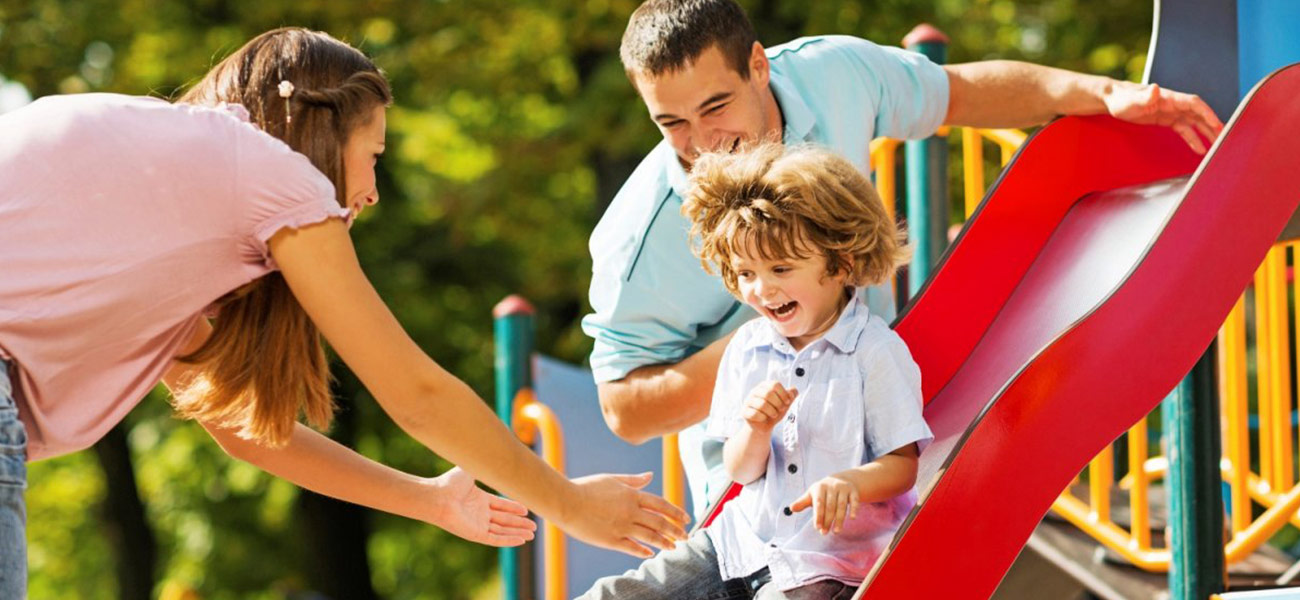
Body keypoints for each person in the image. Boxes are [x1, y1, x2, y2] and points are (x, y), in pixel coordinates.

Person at [0, 27, 687, 597]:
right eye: (374, 155)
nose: (373, 191)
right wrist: (565, 504)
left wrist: (430, 499)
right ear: (321, 133)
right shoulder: (271, 174)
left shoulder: (172, 193)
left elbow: (243, 428)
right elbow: (414, 393)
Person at [584, 0, 1225, 517]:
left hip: (888, 432)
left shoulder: (829, 73)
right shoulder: (645, 235)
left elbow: (961, 92)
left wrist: (1105, 93)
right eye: (671, 123)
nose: (702, 143)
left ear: (758, 65)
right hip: (765, 490)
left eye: (715, 106)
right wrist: (782, 330)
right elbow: (624, 409)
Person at [581, 142, 930, 599]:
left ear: (840, 261)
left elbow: (902, 465)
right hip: (739, 544)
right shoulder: (748, 347)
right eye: (746, 273)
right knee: (621, 593)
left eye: (781, 268)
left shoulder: (874, 352)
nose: (762, 289)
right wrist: (755, 428)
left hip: (830, 561)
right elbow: (741, 471)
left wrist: (852, 481)